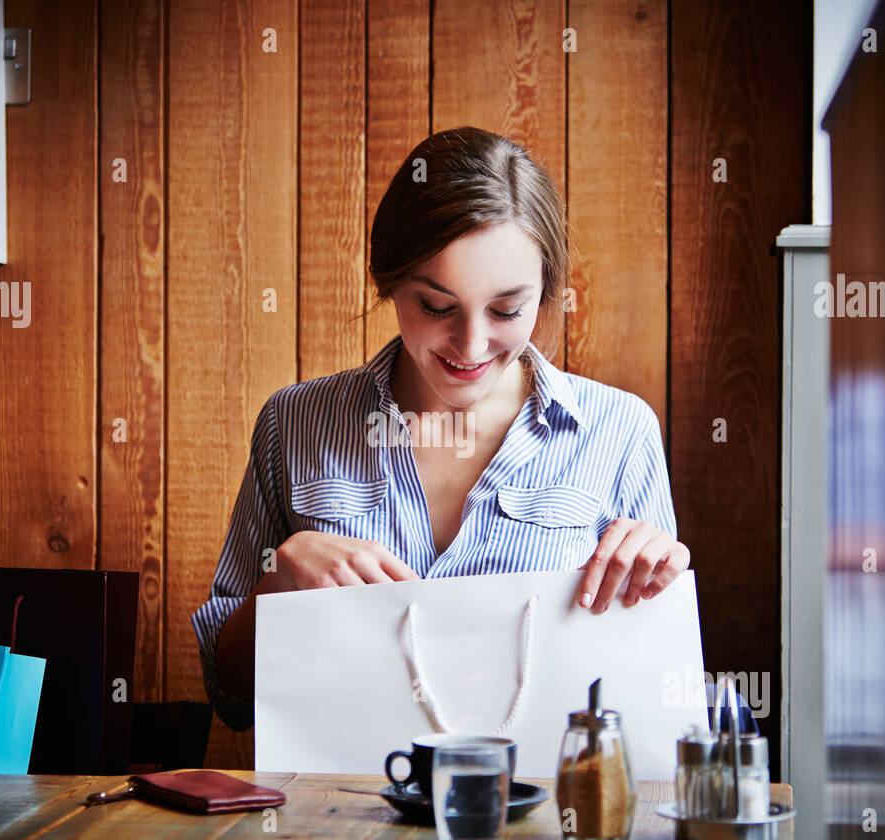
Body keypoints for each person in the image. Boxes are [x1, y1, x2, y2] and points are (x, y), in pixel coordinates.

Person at [193, 127, 691, 732]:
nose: (472, 345)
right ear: (389, 280)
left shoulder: (621, 430)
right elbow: (231, 697)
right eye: (436, 306)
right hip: (334, 821)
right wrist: (280, 581)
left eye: (508, 310)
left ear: (547, 294)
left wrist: (660, 580)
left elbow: (660, 698)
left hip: (540, 819)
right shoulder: (293, 424)